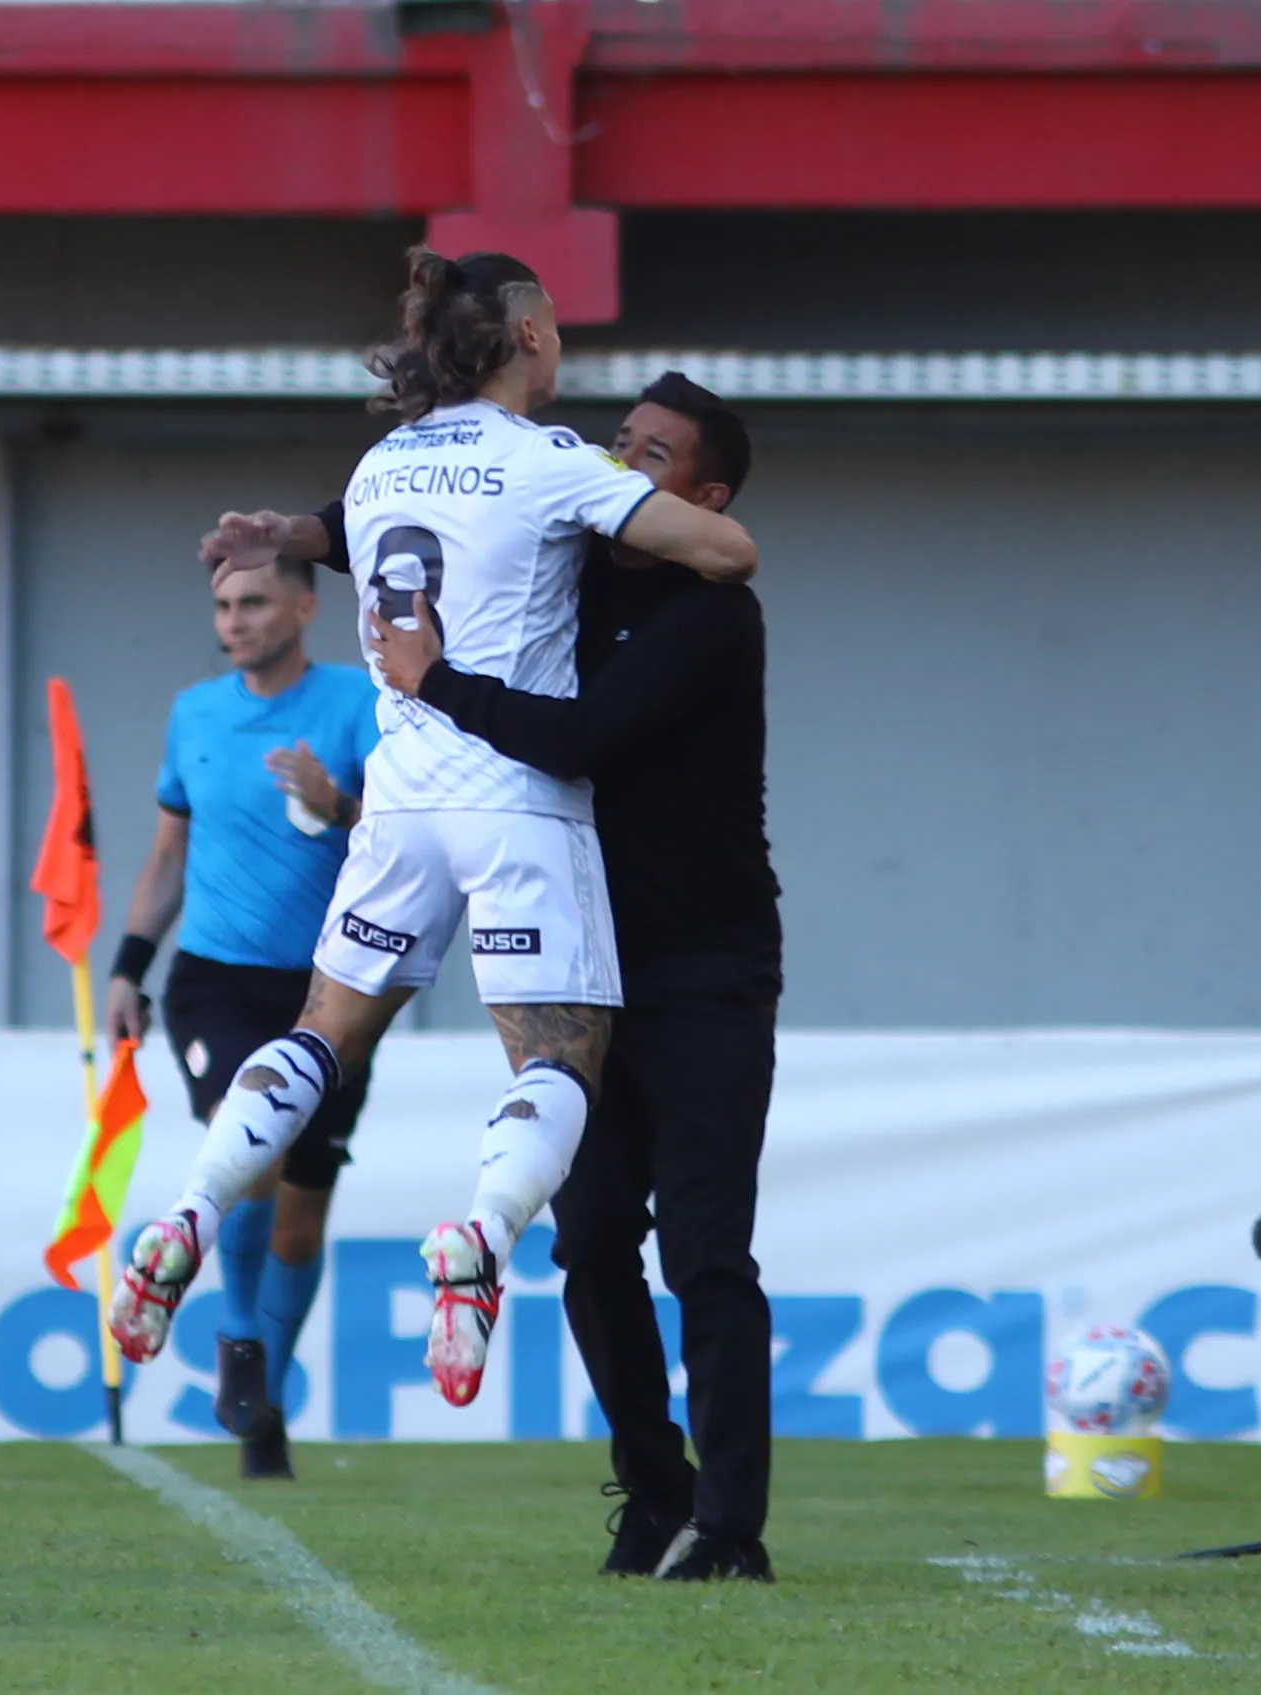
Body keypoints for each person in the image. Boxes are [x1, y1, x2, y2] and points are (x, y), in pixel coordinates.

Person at [106, 249, 759, 1418]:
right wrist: (656, 518)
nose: (561, 343)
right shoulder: (551, 463)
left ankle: (189, 1214)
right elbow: (726, 552)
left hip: (397, 805)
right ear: (521, 338)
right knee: (558, 1061)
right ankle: (482, 1236)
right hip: (513, 803)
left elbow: (372, 535)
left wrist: (291, 531)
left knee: (320, 1037)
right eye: (551, 324)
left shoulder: (384, 464)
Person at [367, 373, 783, 1582]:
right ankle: (654, 1493)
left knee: (707, 1250)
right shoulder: (577, 565)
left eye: (648, 455)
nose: (616, 464)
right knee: (591, 1238)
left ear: (701, 499)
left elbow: (582, 741)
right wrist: (304, 535)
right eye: (616, 439)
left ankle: (731, 1530)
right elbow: (456, 527)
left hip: (705, 965)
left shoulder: (711, 615)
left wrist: (434, 681)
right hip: (586, 962)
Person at [103, 553, 378, 1478]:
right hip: (215, 979)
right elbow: (167, 855)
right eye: (223, 605)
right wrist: (128, 967)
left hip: (333, 989)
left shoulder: (356, 705)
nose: (235, 620)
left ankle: (263, 1399)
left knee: (300, 1220)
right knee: (244, 1149)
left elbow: (406, 836)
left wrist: (332, 802)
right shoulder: (196, 714)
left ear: (304, 605)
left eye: (254, 601)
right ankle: (235, 1342)